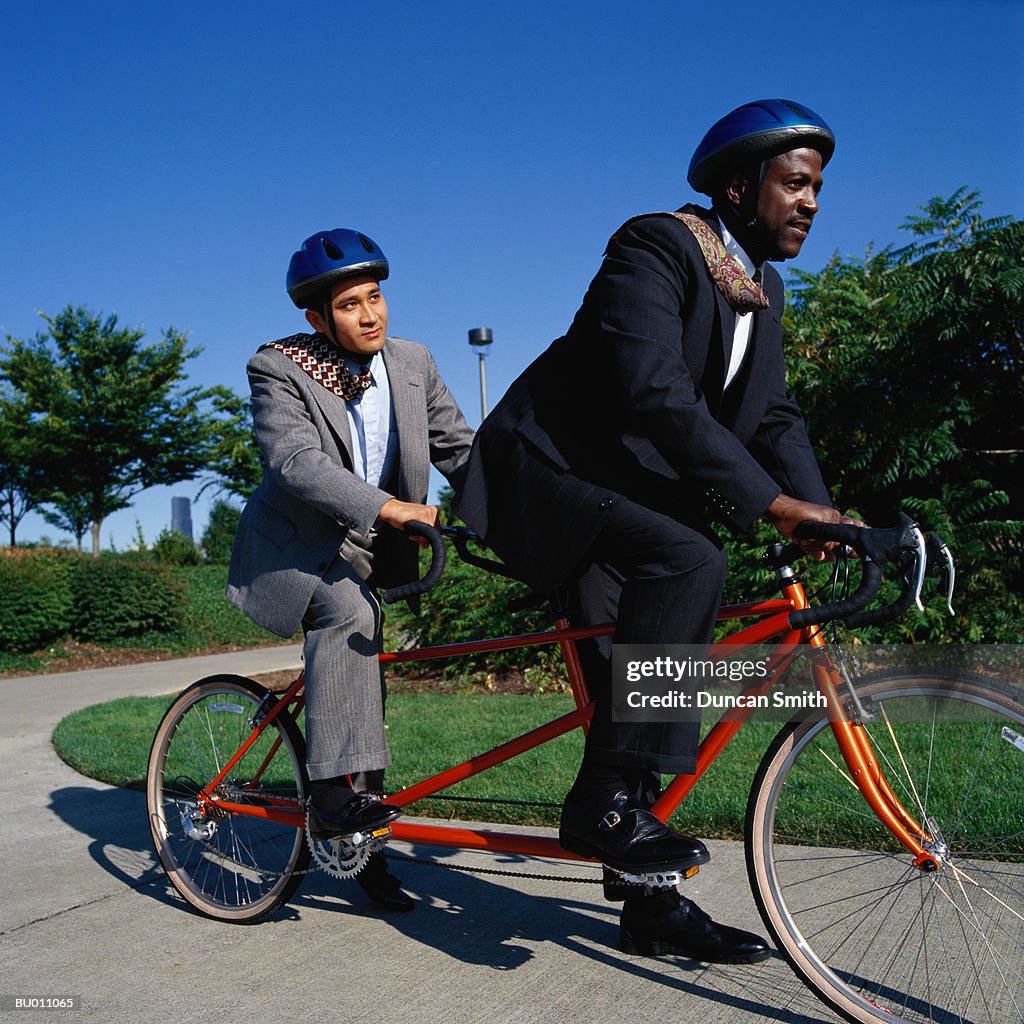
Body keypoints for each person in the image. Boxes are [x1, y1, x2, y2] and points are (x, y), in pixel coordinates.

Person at [455, 100, 857, 961]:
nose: (813, 200)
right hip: (546, 474)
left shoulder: (762, 288)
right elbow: (654, 391)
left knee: (635, 687)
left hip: (622, 497)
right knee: (687, 561)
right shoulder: (657, 246)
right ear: (740, 187)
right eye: (796, 182)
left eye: (819, 186)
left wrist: (820, 510)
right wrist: (769, 505)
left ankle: (649, 905)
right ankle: (598, 805)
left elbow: (773, 416)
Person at [227, 228, 473, 910]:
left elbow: (459, 447)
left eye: (375, 297)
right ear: (316, 318)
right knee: (349, 612)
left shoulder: (413, 362)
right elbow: (296, 463)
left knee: (365, 680)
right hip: (296, 551)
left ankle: (362, 853)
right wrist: (390, 506)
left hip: (368, 548)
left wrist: (512, 506)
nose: (370, 315)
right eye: (349, 305)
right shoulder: (278, 368)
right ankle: (332, 799)